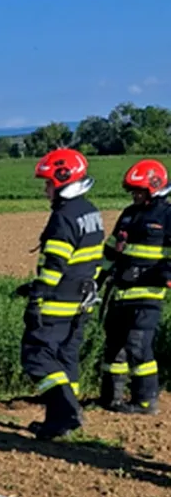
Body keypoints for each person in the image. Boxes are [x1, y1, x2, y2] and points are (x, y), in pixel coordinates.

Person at [15, 147, 106, 440]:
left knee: (37, 356)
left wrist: (36, 297)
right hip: (82, 301)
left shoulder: (63, 218)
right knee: (66, 358)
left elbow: (55, 265)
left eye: (48, 184)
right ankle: (64, 420)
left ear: (64, 180)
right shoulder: (90, 210)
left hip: (59, 303)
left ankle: (64, 413)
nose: (46, 191)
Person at [96, 158, 171, 415]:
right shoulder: (128, 214)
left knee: (138, 346)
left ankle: (145, 401)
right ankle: (110, 398)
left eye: (139, 191)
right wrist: (97, 278)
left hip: (148, 294)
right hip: (120, 292)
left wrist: (166, 274)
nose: (135, 195)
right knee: (114, 345)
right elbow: (109, 250)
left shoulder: (167, 215)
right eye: (132, 191)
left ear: (154, 186)